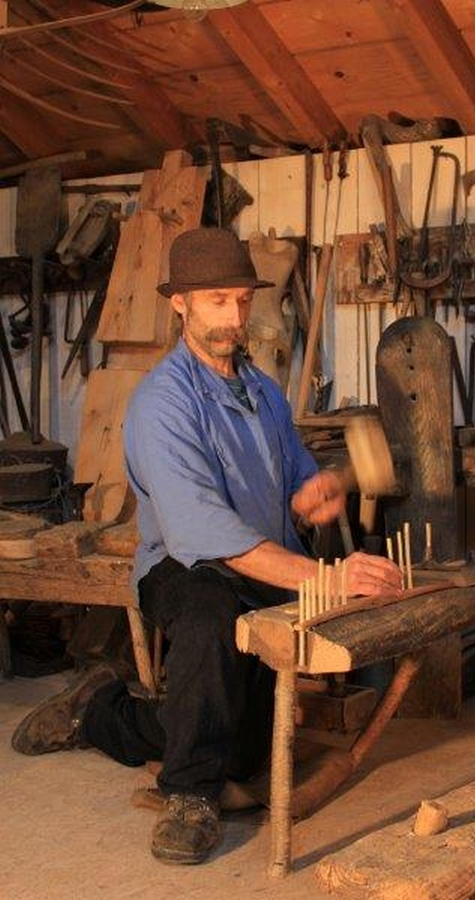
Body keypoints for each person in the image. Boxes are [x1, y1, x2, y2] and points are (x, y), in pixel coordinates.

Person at [11, 227, 403, 865]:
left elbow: (297, 474)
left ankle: (101, 711)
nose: (234, 316)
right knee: (210, 615)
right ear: (180, 304)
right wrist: (327, 577)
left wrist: (316, 489)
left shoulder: (264, 393)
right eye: (217, 300)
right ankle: (188, 795)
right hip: (183, 565)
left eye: (242, 300)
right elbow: (205, 535)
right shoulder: (162, 405)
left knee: (242, 752)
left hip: (261, 562)